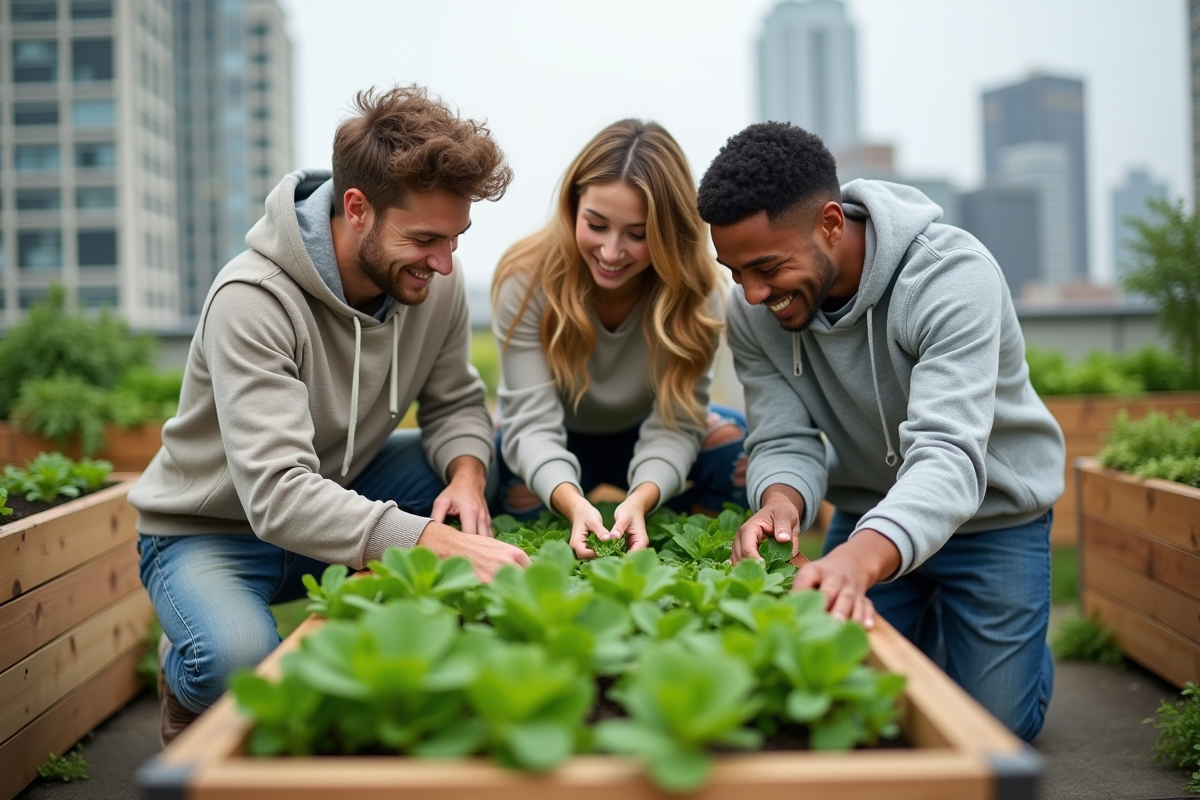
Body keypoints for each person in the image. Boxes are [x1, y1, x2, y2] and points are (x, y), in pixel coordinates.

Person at [129, 85, 531, 745]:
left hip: (345, 489)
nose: (444, 262)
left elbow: (456, 400)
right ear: (357, 208)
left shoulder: (436, 282)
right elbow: (278, 496)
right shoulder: (252, 300)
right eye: (427, 238)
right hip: (215, 530)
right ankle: (184, 670)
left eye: (455, 238)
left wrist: (464, 476)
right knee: (237, 661)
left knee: (499, 456)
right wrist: (430, 539)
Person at [697, 121, 1064, 742]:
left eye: (766, 267)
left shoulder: (952, 279)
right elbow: (784, 437)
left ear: (832, 224)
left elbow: (948, 456)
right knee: (851, 705)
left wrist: (854, 565)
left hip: (993, 520)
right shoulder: (751, 311)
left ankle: (998, 643)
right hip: (866, 509)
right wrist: (779, 505)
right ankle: (946, 630)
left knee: (989, 730)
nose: (752, 294)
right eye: (734, 271)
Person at [491, 119, 747, 558]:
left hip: (642, 433)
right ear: (573, 206)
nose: (611, 252)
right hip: (554, 434)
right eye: (596, 224)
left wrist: (641, 499)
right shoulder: (525, 279)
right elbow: (529, 423)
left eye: (637, 234)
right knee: (500, 472)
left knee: (733, 445)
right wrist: (571, 501)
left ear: (669, 232)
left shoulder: (697, 295)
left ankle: (696, 559)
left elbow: (677, 422)